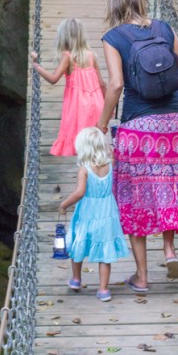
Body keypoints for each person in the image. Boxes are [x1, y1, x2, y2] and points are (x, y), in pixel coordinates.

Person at [96, 0, 178, 293]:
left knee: (138, 197)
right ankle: (170, 251)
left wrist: (102, 124)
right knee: (170, 186)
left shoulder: (113, 38)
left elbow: (116, 85)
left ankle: (142, 278)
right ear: (141, 1)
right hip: (177, 123)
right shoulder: (164, 29)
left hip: (139, 125)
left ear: (114, 6)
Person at [59, 127, 129, 302]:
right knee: (105, 252)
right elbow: (113, 153)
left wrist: (65, 203)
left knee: (78, 243)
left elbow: (80, 192)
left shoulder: (84, 169)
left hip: (87, 213)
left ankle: (76, 280)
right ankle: (103, 289)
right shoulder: (110, 164)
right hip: (106, 213)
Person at [31, 18, 106, 156]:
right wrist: (108, 108)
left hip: (78, 108)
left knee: (82, 144)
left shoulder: (68, 57)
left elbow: (53, 79)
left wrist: (36, 66)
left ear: (64, 37)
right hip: (97, 104)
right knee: (94, 144)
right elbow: (102, 84)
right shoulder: (91, 56)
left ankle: (83, 173)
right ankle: (95, 173)